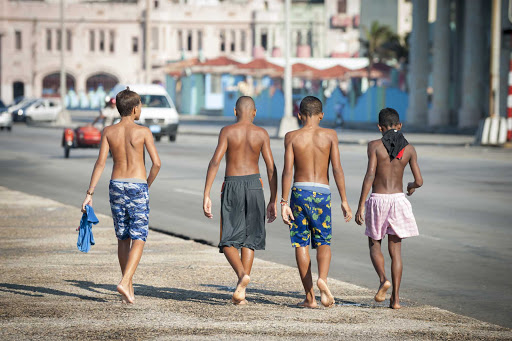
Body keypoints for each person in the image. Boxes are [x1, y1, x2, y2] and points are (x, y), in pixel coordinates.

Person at [81, 87, 161, 304]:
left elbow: (100, 164)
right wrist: (146, 185)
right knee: (139, 237)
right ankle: (125, 281)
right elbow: (156, 164)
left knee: (123, 237)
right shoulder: (143, 132)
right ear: (135, 109)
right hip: (138, 185)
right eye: (140, 106)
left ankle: (129, 288)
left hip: (116, 185)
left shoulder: (108, 131)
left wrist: (89, 194)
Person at [203, 96, 278, 305]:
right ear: (254, 113)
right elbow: (271, 168)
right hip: (255, 185)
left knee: (227, 239)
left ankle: (241, 275)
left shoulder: (227, 131)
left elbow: (215, 161)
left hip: (233, 184)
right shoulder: (261, 134)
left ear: (235, 112)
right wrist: (273, 199)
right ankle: (241, 290)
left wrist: (206, 193)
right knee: (250, 239)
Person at [281, 96, 352, 308]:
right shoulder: (330, 135)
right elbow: (337, 169)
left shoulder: (292, 136)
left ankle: (310, 297)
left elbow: (287, 171)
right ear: (321, 115)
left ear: (300, 115)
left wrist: (284, 202)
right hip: (322, 193)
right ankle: (323, 278)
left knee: (301, 242)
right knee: (323, 240)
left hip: (299, 191)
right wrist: (345, 200)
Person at [355, 107, 423, 309]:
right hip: (398, 200)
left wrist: (360, 205)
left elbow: (370, 175)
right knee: (396, 251)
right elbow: (419, 181)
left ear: (380, 127)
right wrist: (410, 187)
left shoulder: (374, 146)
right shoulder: (409, 149)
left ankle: (383, 279)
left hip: (378, 199)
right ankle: (396, 300)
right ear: (399, 126)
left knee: (375, 244)